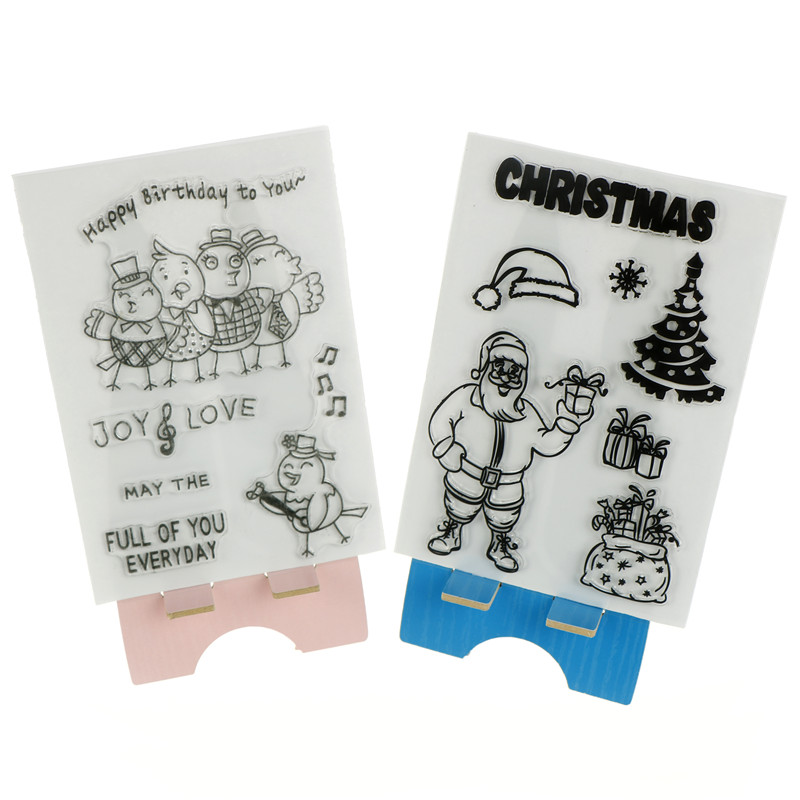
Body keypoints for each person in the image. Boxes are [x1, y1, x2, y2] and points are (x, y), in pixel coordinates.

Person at [426, 330, 592, 573]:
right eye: (499, 368)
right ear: (484, 368)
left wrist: (567, 423)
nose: (505, 378)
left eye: (514, 372)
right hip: (467, 472)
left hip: (509, 482)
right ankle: (452, 532)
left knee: (503, 516)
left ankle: (499, 545)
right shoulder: (466, 398)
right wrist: (446, 447)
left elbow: (546, 444)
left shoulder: (527, 413)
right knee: (459, 505)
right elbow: (441, 421)